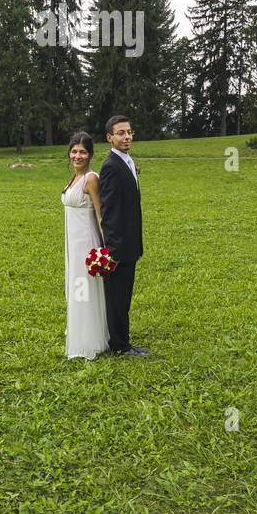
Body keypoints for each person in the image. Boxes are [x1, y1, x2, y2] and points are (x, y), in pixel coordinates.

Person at [95, 115, 147, 357]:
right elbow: (110, 211)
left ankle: (123, 341)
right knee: (118, 299)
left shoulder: (127, 161)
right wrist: (113, 251)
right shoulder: (110, 167)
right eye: (121, 133)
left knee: (124, 296)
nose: (127, 137)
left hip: (130, 243)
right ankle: (120, 346)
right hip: (118, 247)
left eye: (129, 132)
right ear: (109, 138)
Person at [59, 130, 110, 361]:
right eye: (74, 151)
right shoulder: (73, 178)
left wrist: (104, 247)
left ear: (90, 155)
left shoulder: (91, 178)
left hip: (86, 243)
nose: (77, 156)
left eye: (82, 152)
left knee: (84, 288)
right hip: (72, 241)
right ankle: (78, 329)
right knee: (75, 286)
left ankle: (89, 338)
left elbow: (101, 215)